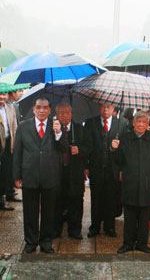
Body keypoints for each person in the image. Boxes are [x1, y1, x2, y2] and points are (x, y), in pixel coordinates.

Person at [13, 97, 67, 253]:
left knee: (49, 212)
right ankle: (30, 241)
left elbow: (64, 148)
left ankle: (46, 242)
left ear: (50, 110)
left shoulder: (56, 125)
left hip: (50, 176)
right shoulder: (23, 126)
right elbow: (17, 152)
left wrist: (58, 133)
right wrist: (17, 175)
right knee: (30, 211)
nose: (42, 110)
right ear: (34, 109)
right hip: (29, 175)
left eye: (45, 107)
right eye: (39, 107)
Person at [112, 111, 150, 253]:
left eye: (144, 122)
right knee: (129, 216)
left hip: (147, 184)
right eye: (138, 122)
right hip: (130, 182)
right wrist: (114, 149)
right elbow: (119, 161)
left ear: (148, 125)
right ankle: (127, 243)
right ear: (133, 123)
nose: (141, 124)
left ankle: (142, 244)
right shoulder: (125, 138)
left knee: (145, 217)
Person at [82, 103, 128, 238]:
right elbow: (86, 146)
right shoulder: (91, 123)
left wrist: (121, 165)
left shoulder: (122, 123)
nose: (106, 109)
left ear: (114, 108)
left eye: (109, 106)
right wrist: (86, 166)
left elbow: (126, 148)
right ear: (99, 108)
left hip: (114, 168)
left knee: (111, 199)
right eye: (103, 106)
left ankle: (110, 227)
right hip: (96, 167)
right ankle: (94, 227)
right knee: (96, 198)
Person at [53, 103, 86, 240]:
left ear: (72, 114)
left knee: (76, 201)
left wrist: (80, 150)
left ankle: (75, 230)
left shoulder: (79, 128)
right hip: (57, 172)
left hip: (75, 172)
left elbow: (89, 146)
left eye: (67, 112)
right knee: (57, 201)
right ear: (56, 114)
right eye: (61, 113)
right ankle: (56, 230)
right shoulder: (52, 128)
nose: (64, 115)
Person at [0, 90, 18, 210]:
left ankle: (7, 195)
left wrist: (14, 144)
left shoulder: (10, 108)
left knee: (7, 172)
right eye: (0, 94)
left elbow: (14, 127)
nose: (2, 96)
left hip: (8, 144)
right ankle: (1, 200)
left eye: (4, 94)